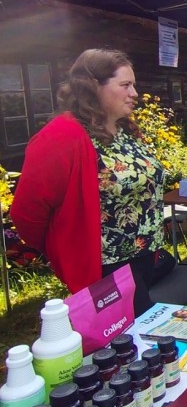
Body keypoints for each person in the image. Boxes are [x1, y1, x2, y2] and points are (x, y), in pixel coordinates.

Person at [10, 48, 165, 315]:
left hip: (142, 256)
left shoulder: (124, 128)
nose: (134, 93)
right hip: (105, 268)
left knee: (140, 335)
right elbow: (27, 214)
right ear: (94, 87)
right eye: (125, 85)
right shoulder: (63, 136)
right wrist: (64, 248)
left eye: (134, 85)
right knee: (130, 342)